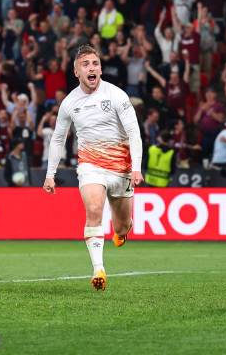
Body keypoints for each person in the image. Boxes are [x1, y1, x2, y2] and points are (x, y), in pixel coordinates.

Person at [43, 44, 143, 291]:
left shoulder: (117, 95)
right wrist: (50, 174)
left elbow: (134, 132)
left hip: (121, 168)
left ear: (100, 68)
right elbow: (58, 138)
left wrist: (137, 168)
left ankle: (122, 231)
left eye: (95, 64)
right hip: (91, 166)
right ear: (76, 71)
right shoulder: (69, 103)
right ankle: (98, 269)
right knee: (94, 208)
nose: (91, 68)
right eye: (85, 64)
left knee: (121, 225)